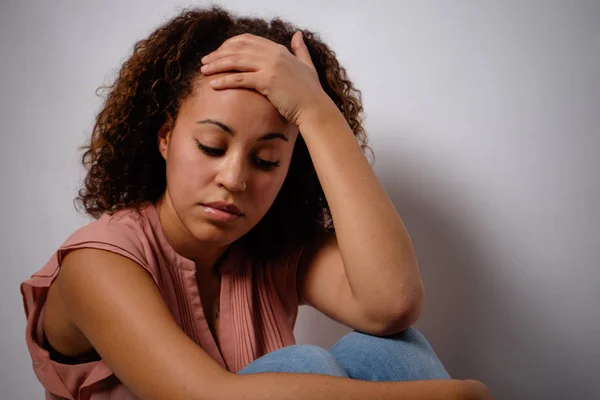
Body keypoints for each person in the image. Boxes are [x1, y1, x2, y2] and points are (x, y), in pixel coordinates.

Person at [20, 6, 492, 400]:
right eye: (211, 146)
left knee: (391, 350)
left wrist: (316, 113)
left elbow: (393, 304)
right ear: (165, 138)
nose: (234, 179)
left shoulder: (269, 250)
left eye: (266, 160)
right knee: (301, 364)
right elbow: (209, 398)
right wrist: (452, 395)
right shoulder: (95, 264)